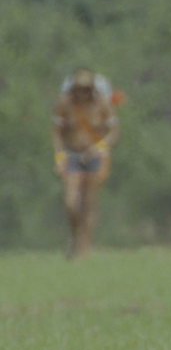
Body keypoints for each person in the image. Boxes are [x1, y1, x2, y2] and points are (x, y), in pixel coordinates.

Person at [51, 69, 119, 259]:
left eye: (85, 89)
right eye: (79, 89)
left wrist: (101, 147)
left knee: (88, 201)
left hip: (95, 157)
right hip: (72, 155)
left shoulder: (102, 105)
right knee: (71, 202)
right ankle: (74, 237)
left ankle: (84, 246)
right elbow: (56, 132)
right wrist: (59, 157)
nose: (82, 93)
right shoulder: (65, 105)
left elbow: (113, 131)